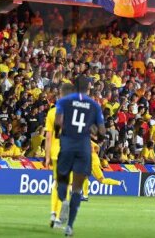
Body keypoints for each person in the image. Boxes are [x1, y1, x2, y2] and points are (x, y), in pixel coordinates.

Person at [55, 76, 106, 237]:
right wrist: (97, 137)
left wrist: (60, 134)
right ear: (88, 89)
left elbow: (58, 123)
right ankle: (69, 226)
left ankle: (63, 201)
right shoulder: (94, 105)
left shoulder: (64, 102)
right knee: (77, 188)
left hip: (68, 144)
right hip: (84, 148)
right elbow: (102, 132)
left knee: (62, 180)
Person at [45, 83, 74, 229]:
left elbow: (48, 137)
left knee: (56, 182)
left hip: (55, 152)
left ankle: (52, 211)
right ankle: (58, 218)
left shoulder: (51, 112)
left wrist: (47, 156)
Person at [81, 131, 127, 201]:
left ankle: (85, 195)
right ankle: (119, 183)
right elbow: (97, 147)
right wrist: (96, 155)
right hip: (93, 161)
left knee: (100, 180)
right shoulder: (88, 141)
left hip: (92, 162)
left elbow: (90, 149)